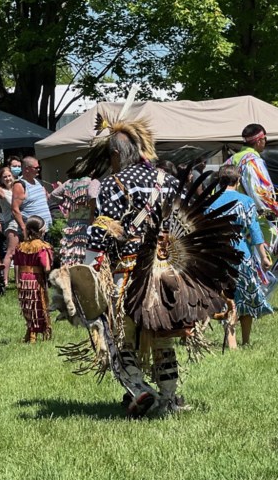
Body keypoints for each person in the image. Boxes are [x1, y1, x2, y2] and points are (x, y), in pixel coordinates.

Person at [53, 115, 239, 418]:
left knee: (117, 336)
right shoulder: (167, 181)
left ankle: (139, 389)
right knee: (162, 338)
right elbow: (183, 223)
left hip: (128, 275)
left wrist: (85, 272)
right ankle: (168, 398)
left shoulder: (114, 185)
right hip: (168, 275)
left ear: (115, 154)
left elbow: (101, 232)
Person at [209, 164, 273, 348]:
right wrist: (263, 256)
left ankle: (231, 341)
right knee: (246, 298)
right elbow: (254, 230)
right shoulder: (245, 201)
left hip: (218, 257)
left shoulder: (210, 203)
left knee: (227, 299)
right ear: (237, 181)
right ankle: (245, 341)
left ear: (220, 181)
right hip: (242, 256)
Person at [14, 216, 54, 343]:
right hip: (35, 279)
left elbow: (17, 264)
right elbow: (46, 267)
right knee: (38, 306)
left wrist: (17, 280)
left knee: (27, 305)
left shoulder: (21, 246)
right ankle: (33, 335)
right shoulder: (42, 246)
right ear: (41, 230)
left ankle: (29, 332)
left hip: (23, 278)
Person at [49, 165, 99, 268]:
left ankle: (71, 272)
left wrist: (66, 203)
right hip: (87, 220)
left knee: (71, 249)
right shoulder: (92, 182)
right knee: (83, 249)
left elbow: (53, 195)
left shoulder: (69, 183)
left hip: (72, 221)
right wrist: (92, 213)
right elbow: (92, 196)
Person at [230, 124, 278, 217]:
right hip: (250, 215)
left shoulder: (232, 159)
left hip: (231, 213)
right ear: (259, 141)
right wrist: (274, 209)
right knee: (273, 232)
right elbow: (260, 191)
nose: (265, 141)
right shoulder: (253, 161)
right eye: (265, 138)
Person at [12, 156, 53, 234]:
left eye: (39, 167)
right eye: (36, 167)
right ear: (27, 169)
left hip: (47, 229)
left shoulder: (39, 182)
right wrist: (23, 228)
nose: (39, 169)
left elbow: (46, 198)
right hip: (33, 232)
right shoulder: (20, 185)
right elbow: (15, 209)